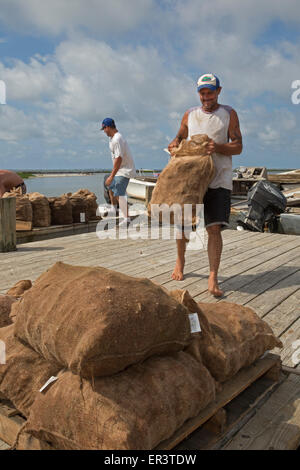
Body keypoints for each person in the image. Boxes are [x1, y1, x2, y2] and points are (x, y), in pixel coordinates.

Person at [168, 73, 243, 297]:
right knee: (182, 223)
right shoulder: (189, 114)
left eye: (210, 92)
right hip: (191, 178)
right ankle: (180, 260)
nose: (206, 97)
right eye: (202, 92)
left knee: (214, 228)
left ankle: (213, 276)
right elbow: (179, 137)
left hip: (219, 177)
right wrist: (174, 143)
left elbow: (238, 146)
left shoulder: (229, 114)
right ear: (198, 93)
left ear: (218, 91)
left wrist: (217, 148)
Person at [101, 118, 136, 226]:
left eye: (104, 129)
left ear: (108, 127)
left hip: (125, 170)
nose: (103, 131)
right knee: (107, 183)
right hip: (119, 170)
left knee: (119, 193)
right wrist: (111, 176)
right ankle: (113, 208)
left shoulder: (117, 139)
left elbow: (119, 158)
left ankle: (127, 219)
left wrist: (112, 176)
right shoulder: (112, 139)